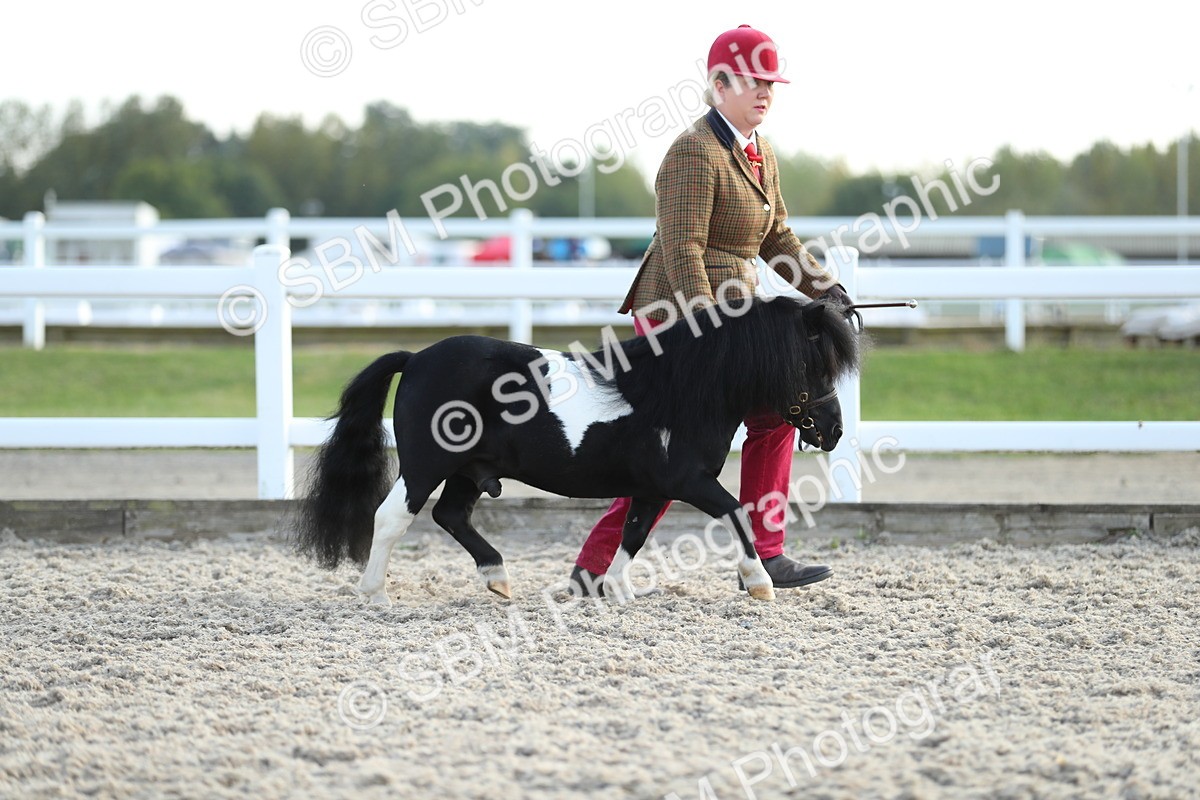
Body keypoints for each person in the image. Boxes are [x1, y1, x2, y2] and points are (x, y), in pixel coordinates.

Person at [569, 24, 854, 597]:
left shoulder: (761, 152)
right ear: (718, 84)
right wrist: (706, 327)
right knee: (666, 449)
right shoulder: (692, 152)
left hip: (736, 318)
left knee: (776, 417)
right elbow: (683, 250)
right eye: (753, 81)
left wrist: (824, 288)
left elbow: (776, 238)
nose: (765, 92)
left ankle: (767, 552)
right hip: (678, 313)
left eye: (771, 83)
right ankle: (596, 565)